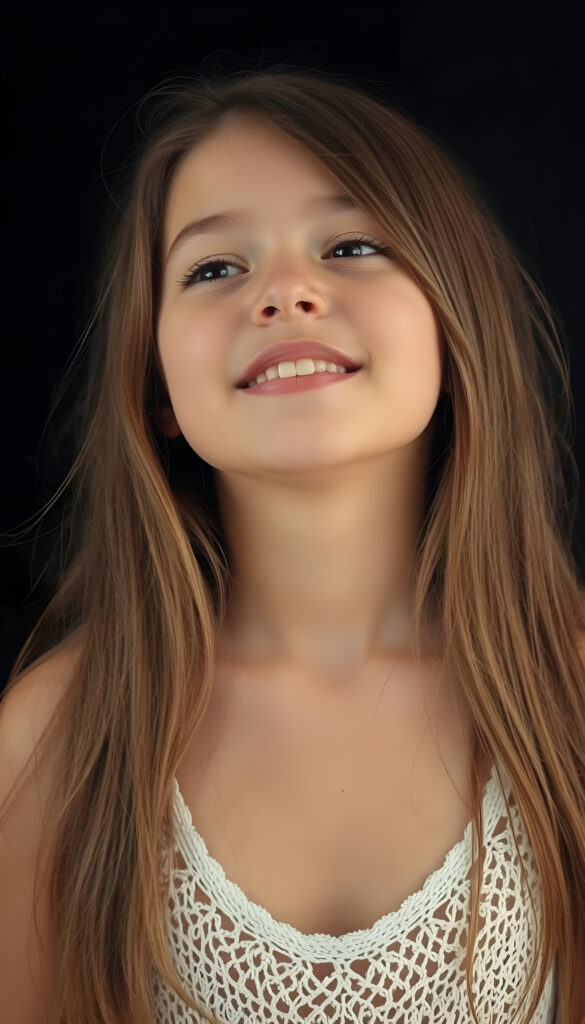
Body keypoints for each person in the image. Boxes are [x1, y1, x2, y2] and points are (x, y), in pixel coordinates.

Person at [0, 65, 583, 1024]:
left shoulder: (566, 693)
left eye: (351, 243)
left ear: (453, 322)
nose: (284, 292)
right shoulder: (58, 736)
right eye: (214, 268)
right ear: (155, 388)